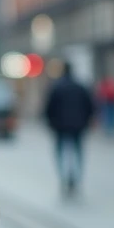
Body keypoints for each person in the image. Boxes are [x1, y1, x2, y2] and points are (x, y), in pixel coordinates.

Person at [44, 61, 95, 196]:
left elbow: (49, 108)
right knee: (78, 152)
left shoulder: (57, 87)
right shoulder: (80, 86)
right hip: (79, 125)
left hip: (60, 126)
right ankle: (76, 178)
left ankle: (63, 177)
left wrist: (50, 122)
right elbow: (90, 106)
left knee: (60, 153)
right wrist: (88, 120)